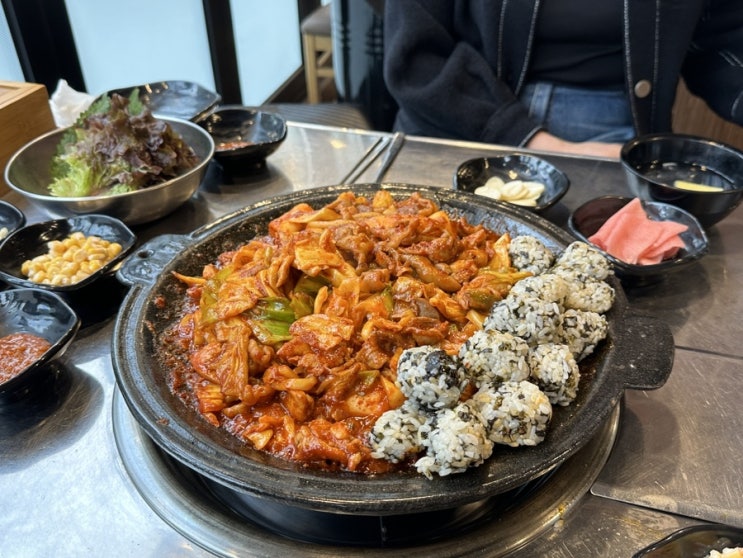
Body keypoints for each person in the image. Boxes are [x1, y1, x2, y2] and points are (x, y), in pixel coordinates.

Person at [383, 0, 743, 159]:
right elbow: (418, 59)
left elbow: (722, 36)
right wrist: (530, 139)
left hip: (614, 138)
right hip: (456, 124)